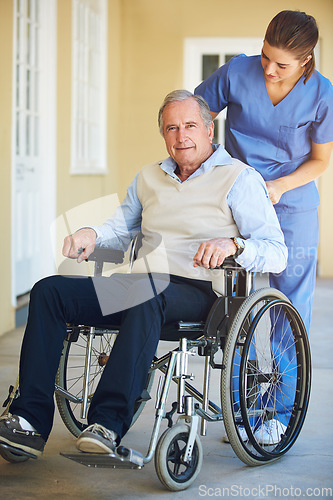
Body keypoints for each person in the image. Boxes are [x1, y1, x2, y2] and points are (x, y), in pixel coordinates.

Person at [0, 90, 287, 462]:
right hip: (141, 285)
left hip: (201, 294)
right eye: (171, 128)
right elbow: (120, 230)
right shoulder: (149, 177)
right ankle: (29, 420)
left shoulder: (239, 179)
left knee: (148, 294)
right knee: (50, 291)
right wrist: (91, 234)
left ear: (208, 130)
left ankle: (107, 423)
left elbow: (277, 252)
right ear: (164, 134)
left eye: (189, 126)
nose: (181, 135)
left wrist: (234, 245)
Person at [195, 10, 333, 334]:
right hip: (234, 194)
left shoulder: (322, 94)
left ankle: (284, 385)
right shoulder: (237, 71)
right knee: (230, 296)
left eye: (281, 65)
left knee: (291, 301)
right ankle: (237, 382)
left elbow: (320, 160)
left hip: (291, 202)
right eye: (266, 56)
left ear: (305, 60)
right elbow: (196, 117)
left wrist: (279, 186)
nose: (269, 69)